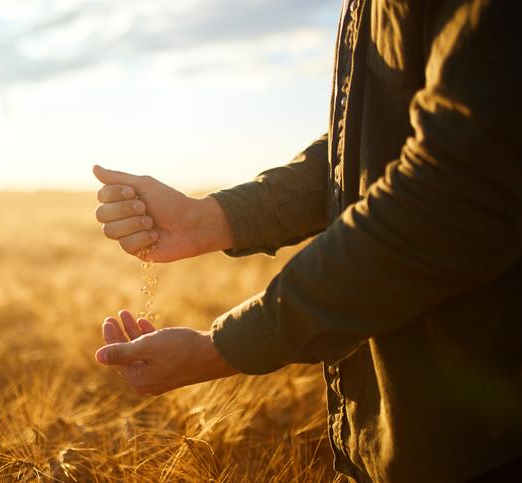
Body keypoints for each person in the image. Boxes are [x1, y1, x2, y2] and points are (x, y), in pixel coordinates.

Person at [92, 1, 522, 481]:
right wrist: (207, 218)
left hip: (483, 440)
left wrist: (219, 348)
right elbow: (366, 143)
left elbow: (456, 195)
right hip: (395, 434)